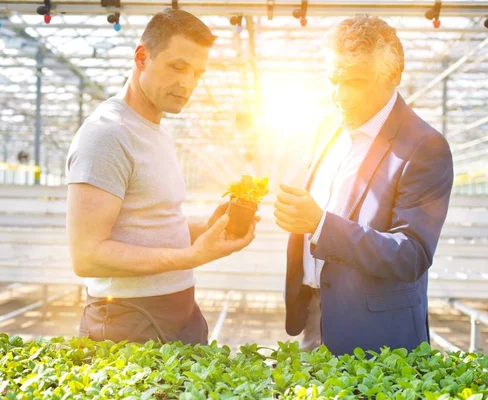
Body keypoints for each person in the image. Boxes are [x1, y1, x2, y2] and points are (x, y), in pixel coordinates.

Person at [66, 8, 258, 345]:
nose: (188, 83)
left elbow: (150, 223)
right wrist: (193, 256)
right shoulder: (108, 134)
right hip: (130, 317)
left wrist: (207, 228)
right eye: (178, 66)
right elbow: (87, 255)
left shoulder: (157, 131)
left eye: (197, 73)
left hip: (178, 308)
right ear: (142, 58)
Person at [274, 15, 454, 355]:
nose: (340, 96)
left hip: (377, 337)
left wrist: (319, 224)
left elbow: (411, 255)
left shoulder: (425, 147)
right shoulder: (328, 126)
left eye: (355, 82)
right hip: (315, 320)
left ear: (393, 76)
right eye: (333, 80)